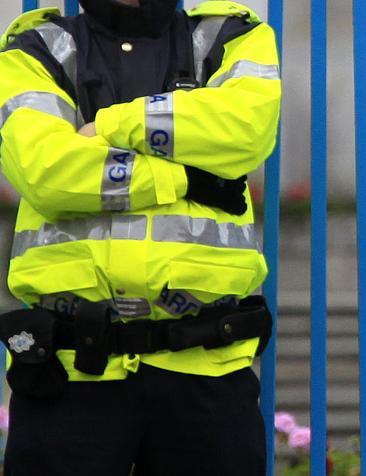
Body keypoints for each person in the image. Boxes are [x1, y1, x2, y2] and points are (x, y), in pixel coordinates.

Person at [0, 0, 280, 473]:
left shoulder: (229, 35)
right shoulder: (35, 47)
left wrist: (108, 125)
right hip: (71, 372)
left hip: (205, 368)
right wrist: (187, 178)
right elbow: (45, 170)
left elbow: (243, 131)